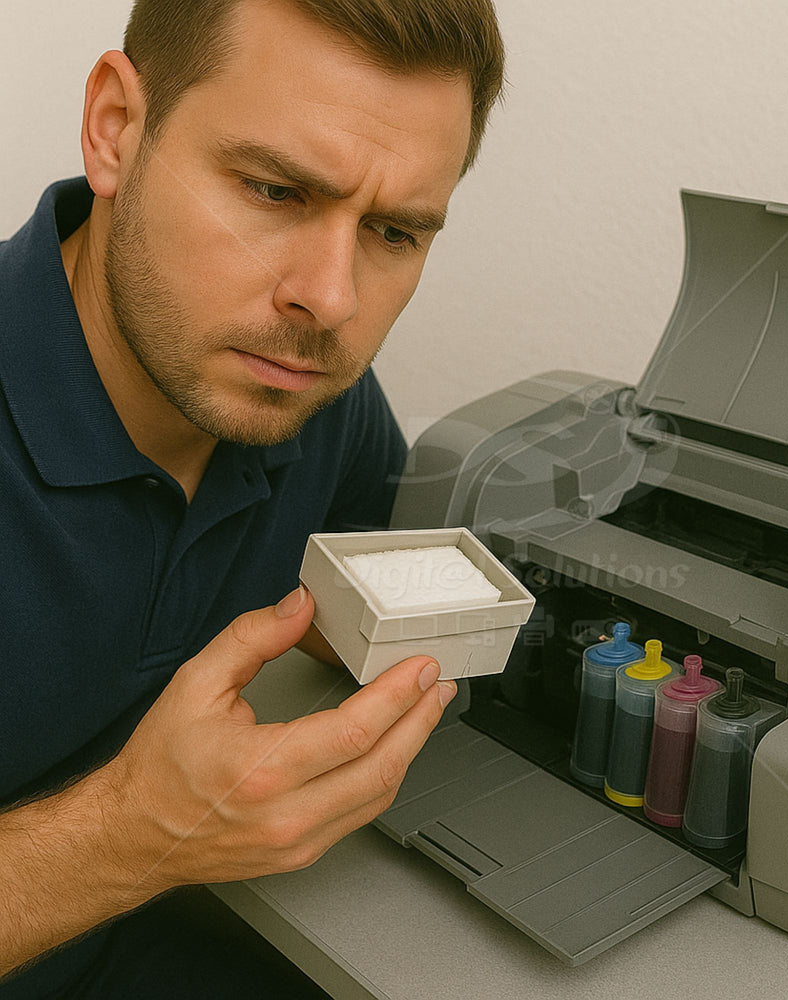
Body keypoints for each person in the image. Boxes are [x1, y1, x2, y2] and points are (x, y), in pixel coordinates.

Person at [0, 0, 504, 996]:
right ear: (115, 128)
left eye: (394, 230)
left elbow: (356, 608)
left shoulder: (317, 399)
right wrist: (132, 829)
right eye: (274, 189)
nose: (331, 298)